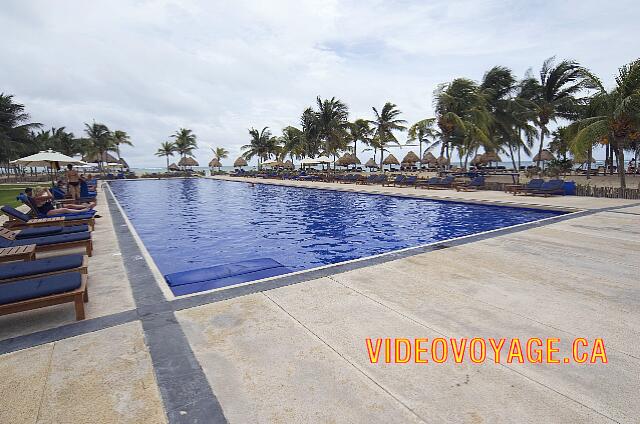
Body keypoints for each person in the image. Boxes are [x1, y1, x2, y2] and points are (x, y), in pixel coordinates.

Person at [24, 187, 95, 216]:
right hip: (47, 212)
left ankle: (86, 206)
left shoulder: (37, 197)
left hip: (50, 209)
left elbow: (50, 199)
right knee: (65, 209)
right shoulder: (37, 198)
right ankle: (82, 211)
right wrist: (47, 190)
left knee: (68, 206)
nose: (43, 192)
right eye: (41, 192)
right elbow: (51, 196)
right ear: (38, 192)